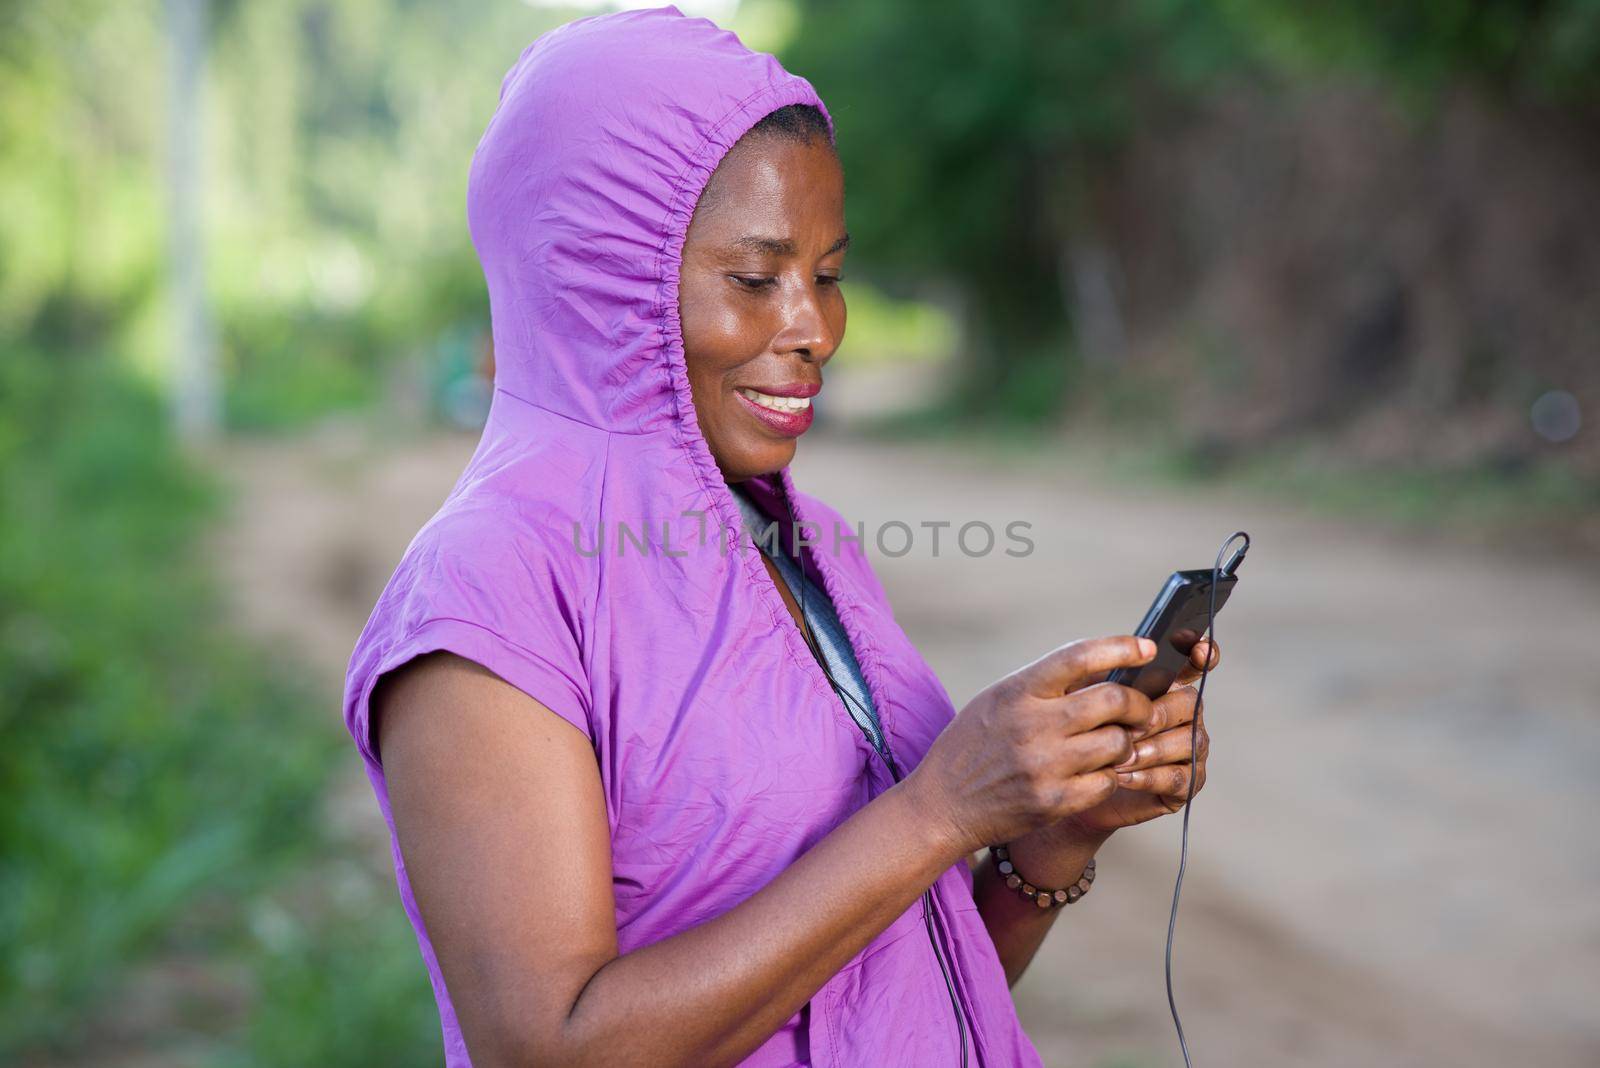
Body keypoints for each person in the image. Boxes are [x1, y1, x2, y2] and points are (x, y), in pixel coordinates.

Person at [342, 8, 1218, 1066]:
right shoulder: (490, 595)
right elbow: (552, 1048)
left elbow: (894, 991)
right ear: (600, 280)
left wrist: (1049, 834)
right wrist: (939, 810)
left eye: (830, 274)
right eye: (757, 279)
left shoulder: (797, 543)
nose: (814, 329)